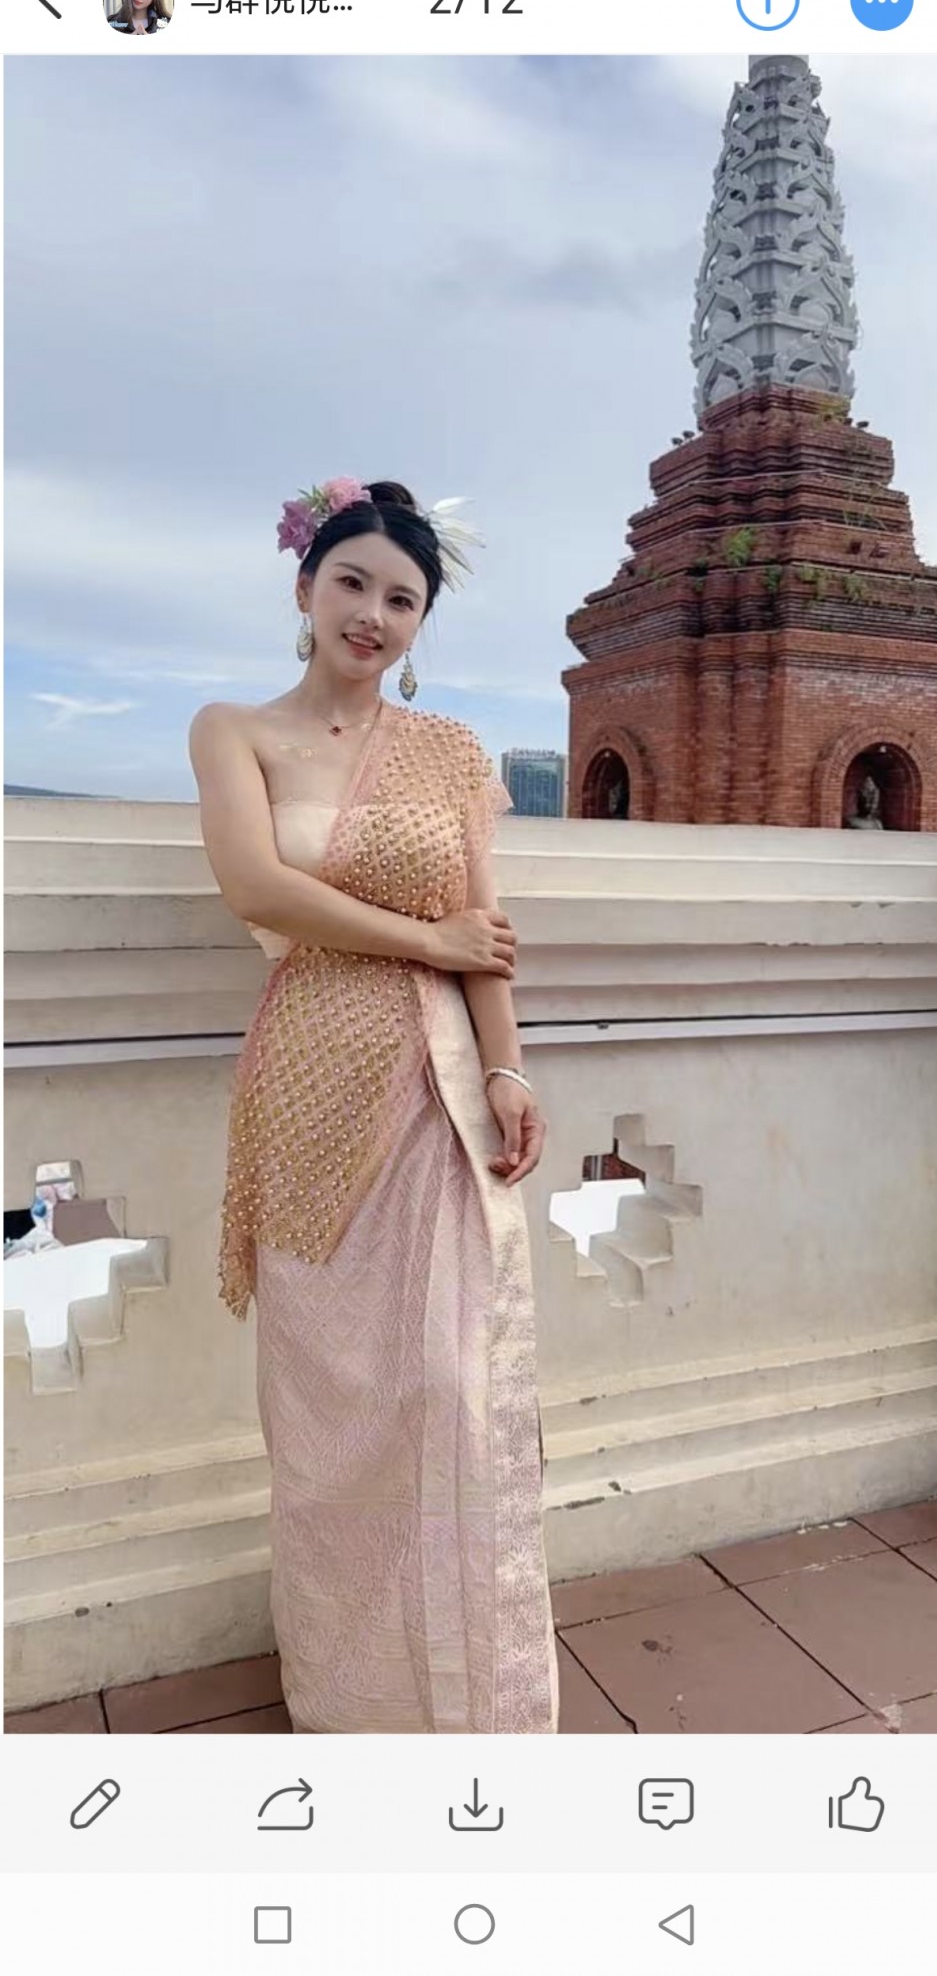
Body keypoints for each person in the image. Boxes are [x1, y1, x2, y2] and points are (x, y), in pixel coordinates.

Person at [188, 476, 559, 1734]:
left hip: (437, 1085)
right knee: (328, 1404)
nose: (372, 613)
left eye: (402, 599)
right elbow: (258, 887)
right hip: (308, 1078)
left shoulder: (445, 751)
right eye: (351, 582)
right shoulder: (232, 732)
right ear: (305, 588)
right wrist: (425, 937)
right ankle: (354, 1700)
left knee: (450, 1387)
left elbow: (480, 931)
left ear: (417, 625)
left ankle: (469, 1698)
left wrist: (506, 1068)